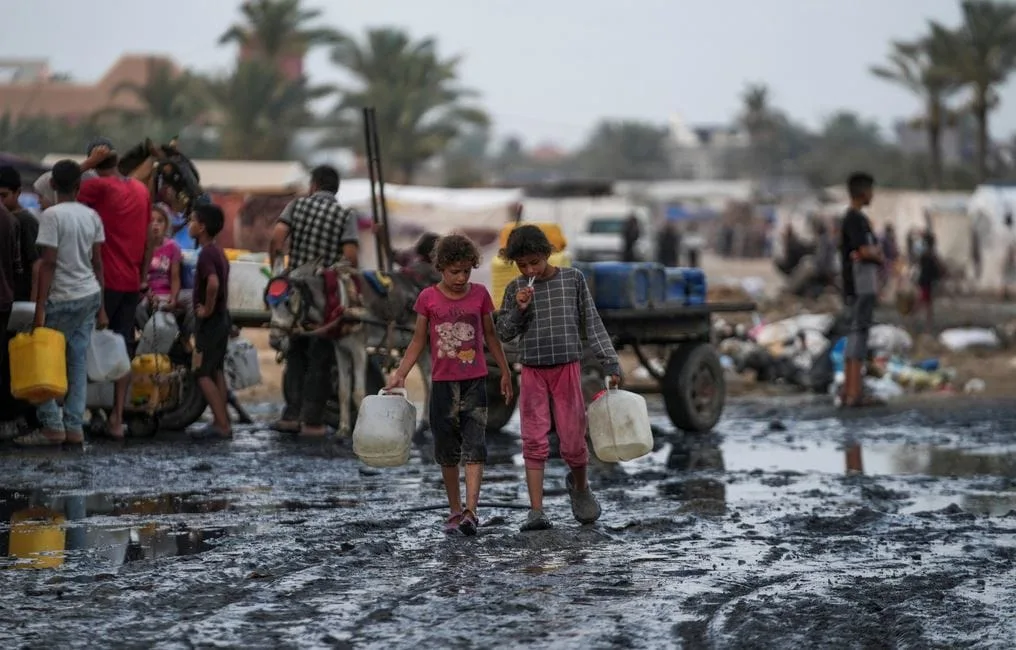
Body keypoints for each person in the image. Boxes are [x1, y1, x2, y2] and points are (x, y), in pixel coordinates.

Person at [496, 225, 622, 532]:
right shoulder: (515, 289)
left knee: (573, 439)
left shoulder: (572, 280)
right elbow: (504, 332)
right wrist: (520, 310)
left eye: (534, 263)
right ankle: (536, 511)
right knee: (534, 439)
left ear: (547, 254)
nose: (529, 270)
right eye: (522, 265)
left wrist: (611, 363)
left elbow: (592, 324)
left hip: (567, 368)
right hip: (532, 371)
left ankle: (580, 488)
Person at [385, 234, 513, 535]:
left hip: (474, 382)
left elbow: (491, 336)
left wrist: (505, 371)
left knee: (475, 445)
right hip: (443, 384)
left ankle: (471, 511)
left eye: (467, 271)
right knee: (446, 449)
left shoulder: (480, 295)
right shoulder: (428, 298)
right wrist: (401, 373)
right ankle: (454, 509)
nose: (461, 278)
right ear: (440, 267)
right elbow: (418, 340)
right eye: (454, 271)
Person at [15, 160, 105, 447]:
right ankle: (74, 427)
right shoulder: (92, 216)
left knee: (42, 359)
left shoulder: (52, 216)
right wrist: (101, 307)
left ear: (52, 185)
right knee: (76, 361)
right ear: (79, 187)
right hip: (89, 295)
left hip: (62, 297)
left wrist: (39, 308)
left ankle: (52, 425)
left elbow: (48, 263)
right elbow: (98, 263)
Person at [268, 165, 359, 438]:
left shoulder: (297, 206)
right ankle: (313, 422)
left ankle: (291, 415)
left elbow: (277, 239)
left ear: (314, 185)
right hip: (325, 297)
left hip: (295, 294)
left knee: (296, 352)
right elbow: (351, 258)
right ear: (335, 188)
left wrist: (278, 270)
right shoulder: (345, 215)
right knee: (320, 356)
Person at [77, 137, 155, 439]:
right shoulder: (139, 189)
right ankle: (116, 419)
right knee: (121, 348)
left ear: (96, 163)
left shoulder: (97, 186)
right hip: (131, 283)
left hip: (102, 282)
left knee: (86, 346)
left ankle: (79, 414)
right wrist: (144, 273)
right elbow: (149, 236)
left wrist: (86, 166)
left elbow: (57, 189)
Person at [188, 203, 232, 440]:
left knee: (202, 373)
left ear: (202, 227)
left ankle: (222, 425)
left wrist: (206, 309)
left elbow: (213, 283)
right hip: (221, 320)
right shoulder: (218, 250)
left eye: (192, 220)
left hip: (212, 322)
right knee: (216, 371)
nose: (189, 225)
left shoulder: (206, 253)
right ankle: (221, 419)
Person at [839, 172, 882, 408]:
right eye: (871, 190)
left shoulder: (858, 219)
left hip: (861, 285)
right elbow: (864, 251)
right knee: (858, 336)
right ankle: (854, 393)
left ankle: (850, 391)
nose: (873, 195)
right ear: (863, 192)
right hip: (859, 285)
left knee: (856, 336)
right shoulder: (854, 219)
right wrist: (875, 254)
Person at [0, 166, 39, 302]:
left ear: (18, 193)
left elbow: (37, 264)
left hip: (20, 297)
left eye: (4, 195)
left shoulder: (26, 221)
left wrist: (34, 302)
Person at [915, 233, 943, 333]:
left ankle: (926, 322)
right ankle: (923, 321)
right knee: (925, 302)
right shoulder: (928, 254)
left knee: (926, 302)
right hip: (926, 281)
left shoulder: (926, 253)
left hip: (927, 280)